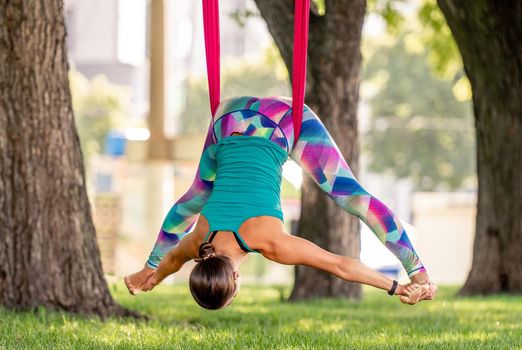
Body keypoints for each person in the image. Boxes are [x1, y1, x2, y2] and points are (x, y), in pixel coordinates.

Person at [124, 96, 437, 309]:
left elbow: (339, 264)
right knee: (198, 195)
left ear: (236, 281)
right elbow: (174, 254)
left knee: (352, 197)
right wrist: (151, 272)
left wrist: (397, 288)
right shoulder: (199, 240)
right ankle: (418, 270)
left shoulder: (270, 244)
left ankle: (419, 271)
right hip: (227, 117)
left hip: (282, 121)